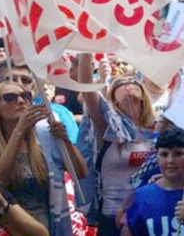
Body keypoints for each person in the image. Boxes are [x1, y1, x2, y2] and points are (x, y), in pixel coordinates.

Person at [0, 82, 87, 235]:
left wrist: (65, 140)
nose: (20, 101)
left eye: (25, 96)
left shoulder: (44, 136)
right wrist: (19, 131)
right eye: (10, 97)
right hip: (11, 230)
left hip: (52, 227)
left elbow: (80, 173)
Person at [75, 54, 158, 236]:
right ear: (113, 99)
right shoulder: (107, 127)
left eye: (132, 81)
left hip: (150, 214)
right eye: (119, 84)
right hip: (113, 218)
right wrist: (86, 48)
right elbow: (87, 87)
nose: (127, 85)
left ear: (144, 94)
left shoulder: (157, 128)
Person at [0, 60, 79, 143]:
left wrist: (65, 140)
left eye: (25, 80)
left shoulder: (49, 117)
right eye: (11, 79)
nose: (19, 84)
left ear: (32, 86)